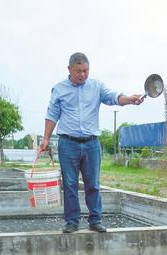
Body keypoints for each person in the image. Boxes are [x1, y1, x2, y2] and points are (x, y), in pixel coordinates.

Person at [39, 52, 144, 233]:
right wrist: (46, 139)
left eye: (86, 71)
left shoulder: (96, 86)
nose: (82, 75)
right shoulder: (59, 89)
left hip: (91, 144)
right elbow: (52, 115)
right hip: (68, 143)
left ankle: (95, 220)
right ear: (69, 69)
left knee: (93, 183)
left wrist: (129, 99)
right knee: (70, 184)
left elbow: (113, 97)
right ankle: (72, 221)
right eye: (79, 71)